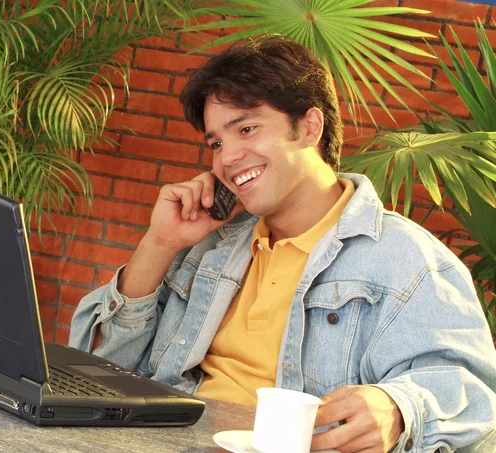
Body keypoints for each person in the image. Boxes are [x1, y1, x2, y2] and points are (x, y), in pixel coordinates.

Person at [69, 36, 496, 452]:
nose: (227, 158)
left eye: (247, 128)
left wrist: (400, 408)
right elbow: (100, 370)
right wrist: (160, 243)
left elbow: (475, 395)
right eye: (216, 143)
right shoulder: (209, 248)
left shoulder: (408, 261)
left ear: (309, 127)